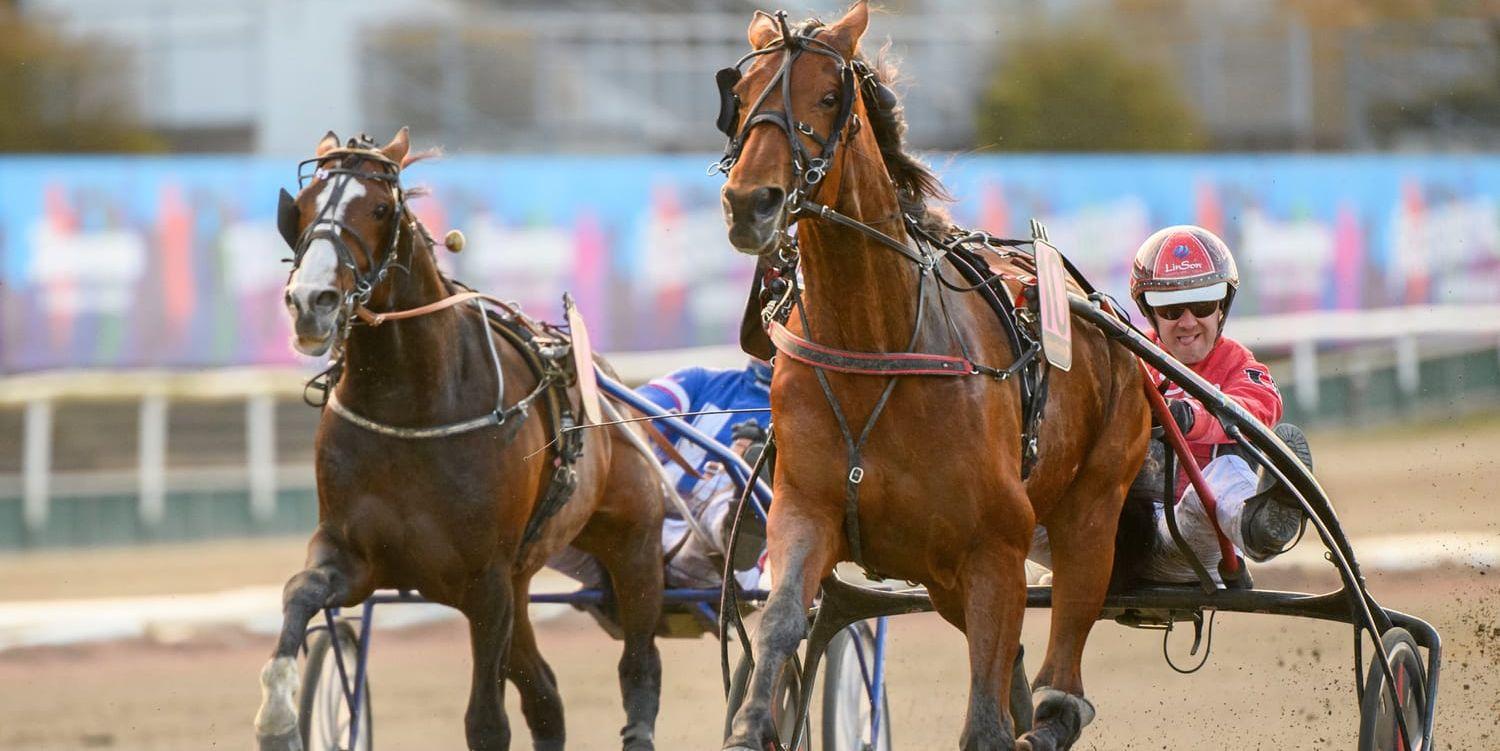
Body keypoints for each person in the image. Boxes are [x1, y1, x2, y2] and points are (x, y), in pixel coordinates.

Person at [1030, 225, 1314, 586]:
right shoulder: (1124, 355)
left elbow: (1258, 411)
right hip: (1104, 536)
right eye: (1171, 309)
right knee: (1016, 499)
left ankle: (1260, 525)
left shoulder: (1239, 365)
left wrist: (1191, 415)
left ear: (1221, 308)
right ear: (1150, 312)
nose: (1188, 322)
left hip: (1184, 541)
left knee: (1224, 470)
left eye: (1202, 306)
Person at [636, 359, 773, 589]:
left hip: (711, 562)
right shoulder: (698, 380)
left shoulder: (811, 418)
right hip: (636, 524)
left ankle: (739, 521)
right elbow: (626, 417)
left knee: (728, 500)